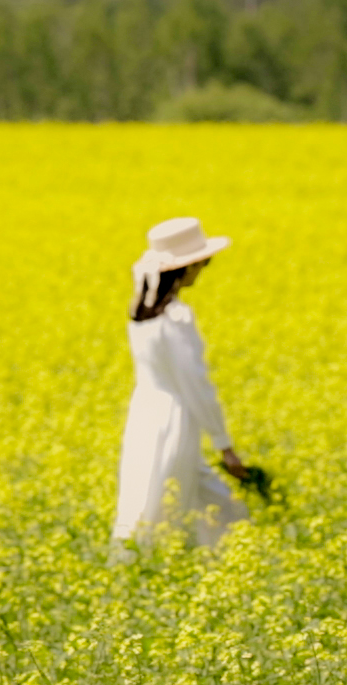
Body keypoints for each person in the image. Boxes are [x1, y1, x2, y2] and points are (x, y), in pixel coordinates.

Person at [112, 217, 250, 551]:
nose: (204, 268)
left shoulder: (139, 312)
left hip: (143, 414)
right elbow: (196, 385)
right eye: (202, 262)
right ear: (185, 268)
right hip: (174, 418)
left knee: (156, 500)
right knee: (160, 510)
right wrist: (224, 445)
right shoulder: (176, 317)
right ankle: (156, 573)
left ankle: (227, 569)